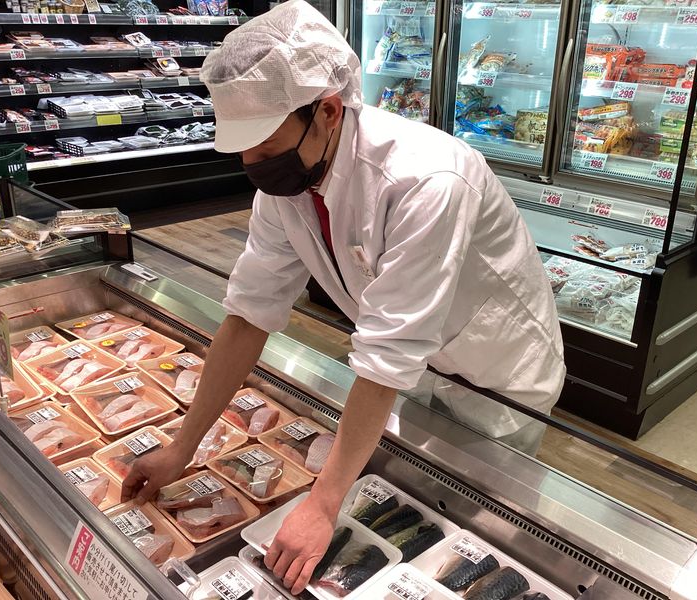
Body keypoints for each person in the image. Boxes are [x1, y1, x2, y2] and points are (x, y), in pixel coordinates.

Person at [121, 0, 565, 593]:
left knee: (486, 525)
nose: (254, 166)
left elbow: (386, 355)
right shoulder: (287, 185)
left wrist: (324, 503)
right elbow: (249, 315)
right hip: (417, 369)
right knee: (420, 502)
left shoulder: (426, 178)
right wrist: (183, 446)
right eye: (243, 151)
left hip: (497, 373)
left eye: (265, 146)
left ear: (328, 110)